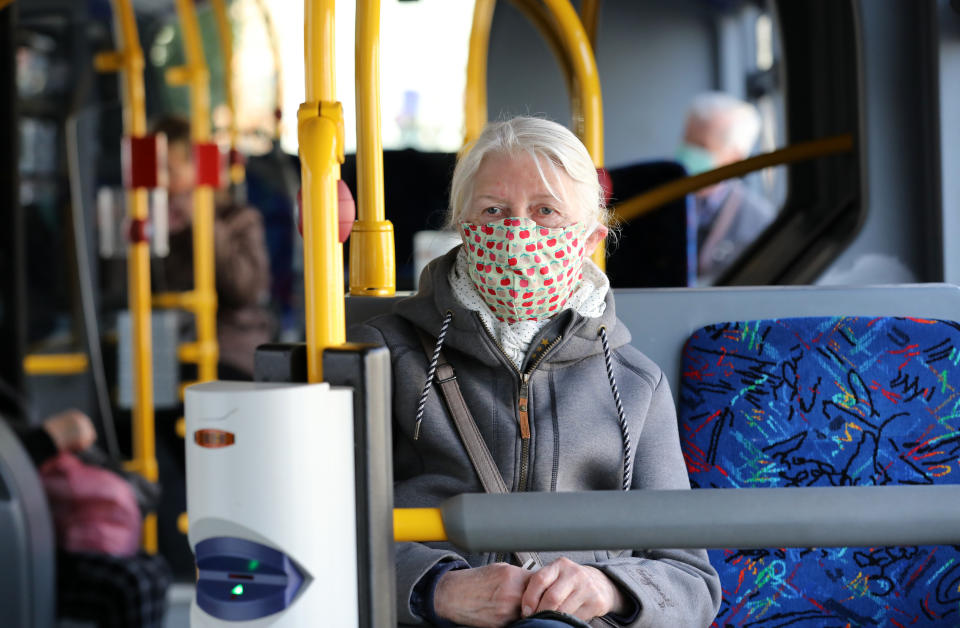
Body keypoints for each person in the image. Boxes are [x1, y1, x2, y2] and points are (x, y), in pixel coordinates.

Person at [350, 117, 721, 627]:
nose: (517, 233)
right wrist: (436, 589)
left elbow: (691, 582)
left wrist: (608, 589)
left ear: (589, 238)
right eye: (493, 211)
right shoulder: (384, 356)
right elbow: (320, 532)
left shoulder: (635, 383)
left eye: (545, 212)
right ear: (462, 227)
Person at [151, 115, 274, 379]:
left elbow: (244, 290)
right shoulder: (151, 224)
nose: (162, 183)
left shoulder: (239, 220)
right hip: (164, 349)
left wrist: (203, 222)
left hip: (228, 349)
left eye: (171, 171)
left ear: (199, 170)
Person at [675, 92, 776, 282]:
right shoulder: (656, 197)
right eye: (687, 141)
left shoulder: (759, 223)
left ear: (735, 159)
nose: (688, 154)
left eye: (702, 147)